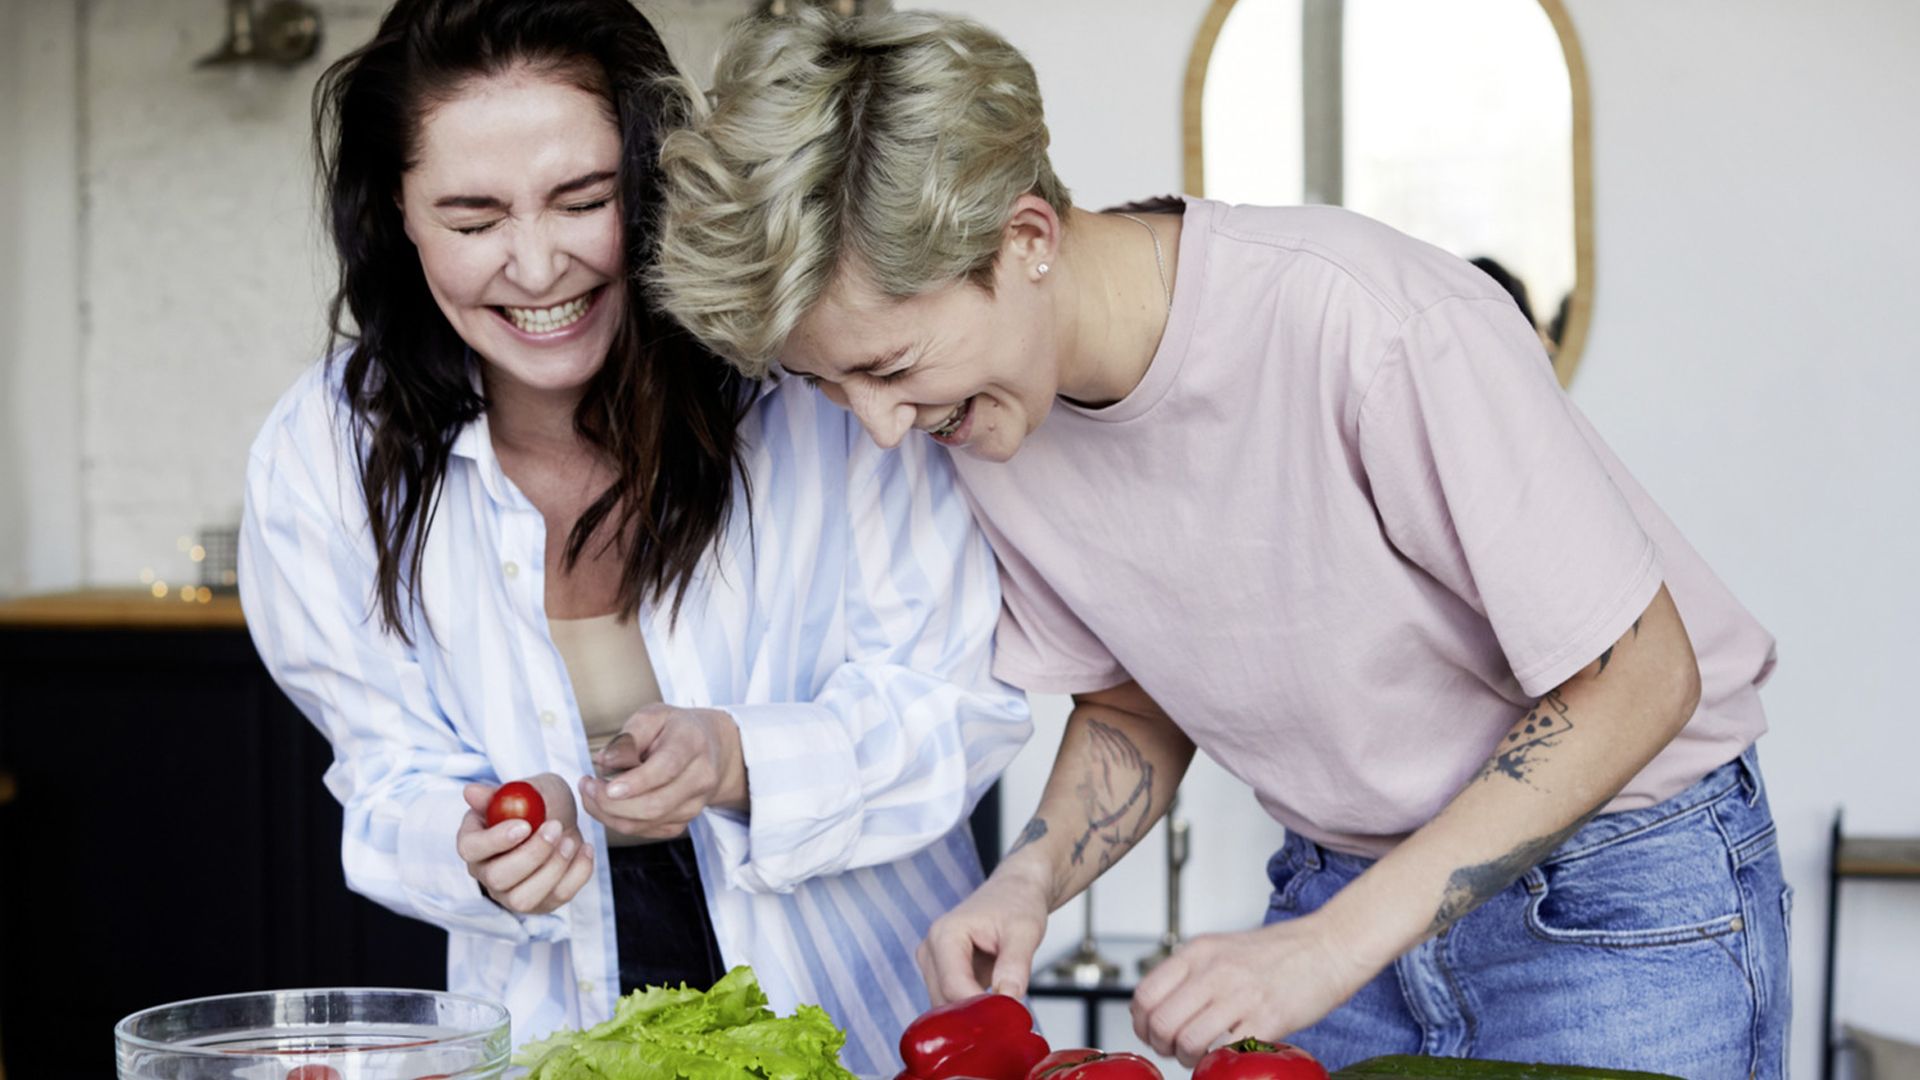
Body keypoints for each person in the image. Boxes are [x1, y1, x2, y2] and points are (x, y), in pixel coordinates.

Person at [649, 10, 1788, 1079]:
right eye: (829, 384)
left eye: (892, 369)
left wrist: (1329, 947)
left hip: (1616, 898)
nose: (882, 427)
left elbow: (1643, 675)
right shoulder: (993, 424)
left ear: (1027, 237)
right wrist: (1030, 881)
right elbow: (1141, 696)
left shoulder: (1367, 326)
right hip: (1341, 896)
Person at [236, 1, 1030, 1071]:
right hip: (559, 1047)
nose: (535, 265)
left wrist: (744, 759)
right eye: (473, 222)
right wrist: (475, 846)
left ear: (651, 182)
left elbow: (953, 712)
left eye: (584, 200)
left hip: (874, 1027)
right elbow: (385, 776)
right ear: (398, 215)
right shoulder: (326, 451)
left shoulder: (806, 386)